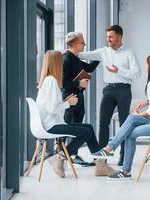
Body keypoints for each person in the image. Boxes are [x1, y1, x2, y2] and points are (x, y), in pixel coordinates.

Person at [92, 53, 150, 179]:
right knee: (130, 126)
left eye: (147, 64)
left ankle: (113, 153)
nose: (146, 66)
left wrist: (139, 114)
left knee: (131, 122)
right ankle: (117, 160)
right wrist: (147, 102)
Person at [78, 25, 141, 166]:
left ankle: (123, 157)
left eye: (111, 37)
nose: (108, 40)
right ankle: (101, 159)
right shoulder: (103, 51)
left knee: (125, 125)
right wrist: (71, 52)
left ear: (119, 37)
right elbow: (86, 55)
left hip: (124, 90)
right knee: (103, 123)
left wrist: (119, 71)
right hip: (108, 90)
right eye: (107, 37)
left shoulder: (129, 53)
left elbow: (137, 74)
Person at [36, 50, 100, 178]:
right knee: (86, 132)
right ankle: (59, 157)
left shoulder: (47, 80)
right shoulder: (52, 81)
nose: (63, 64)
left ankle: (100, 163)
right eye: (61, 61)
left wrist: (65, 101)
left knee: (88, 128)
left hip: (50, 123)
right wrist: (68, 103)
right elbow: (51, 109)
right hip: (52, 126)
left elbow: (51, 105)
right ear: (56, 64)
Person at [62, 32, 100, 166]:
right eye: (82, 42)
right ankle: (63, 156)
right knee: (71, 127)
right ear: (74, 44)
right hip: (70, 98)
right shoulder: (66, 59)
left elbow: (89, 68)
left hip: (78, 96)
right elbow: (62, 83)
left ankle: (73, 155)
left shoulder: (75, 58)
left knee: (78, 125)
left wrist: (100, 57)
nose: (84, 44)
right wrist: (78, 83)